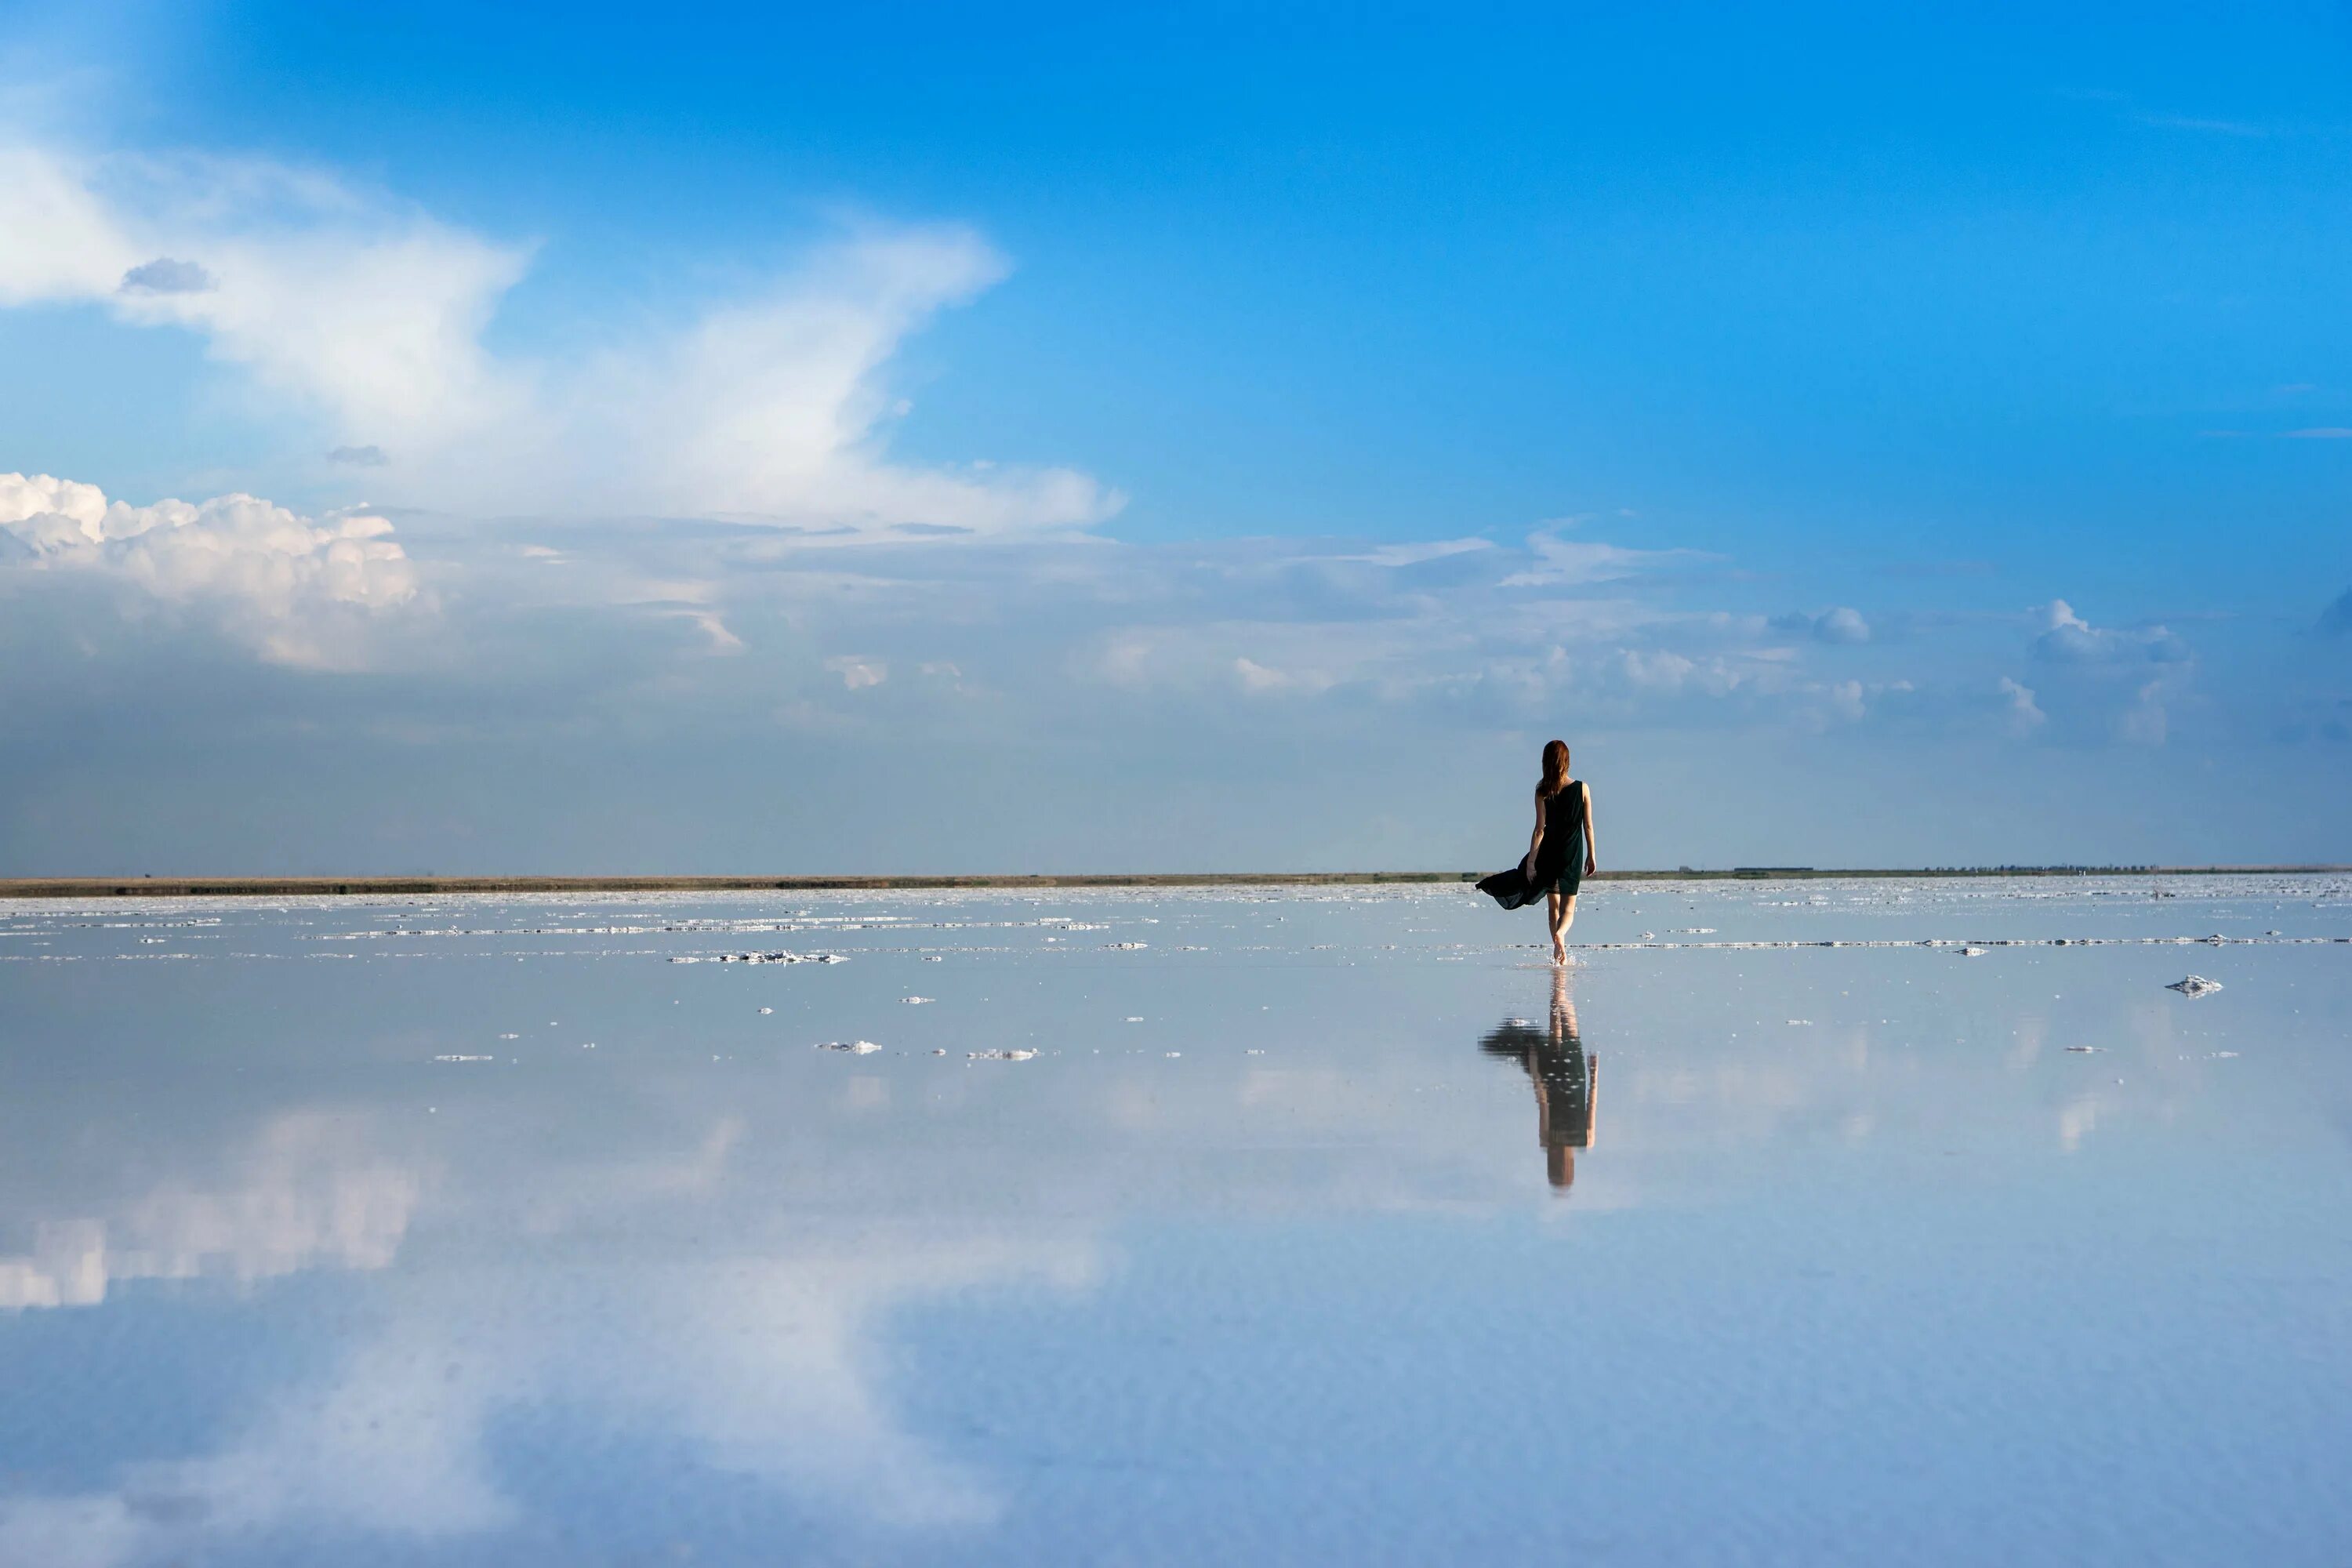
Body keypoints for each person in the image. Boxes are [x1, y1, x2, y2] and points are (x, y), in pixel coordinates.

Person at [1476, 966, 1598, 1192]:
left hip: (1575, 1076)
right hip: (1557, 1077)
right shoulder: (1548, 1140)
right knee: (1557, 1024)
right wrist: (1534, 1067)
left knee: (1568, 1025)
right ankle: (1559, 979)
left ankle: (1561, 979)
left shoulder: (1586, 1141)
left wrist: (1594, 1072)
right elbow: (1542, 1098)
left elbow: (1591, 1104)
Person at [1515, 739, 1596, 963]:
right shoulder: (1583, 788)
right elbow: (1588, 826)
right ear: (1566, 762)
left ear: (1546, 762)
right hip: (1572, 853)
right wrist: (1591, 855)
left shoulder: (1542, 791)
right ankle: (1561, 936)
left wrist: (1532, 861)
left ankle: (1556, 949)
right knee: (1569, 908)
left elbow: (1539, 829)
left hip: (1549, 853)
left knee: (1554, 907)